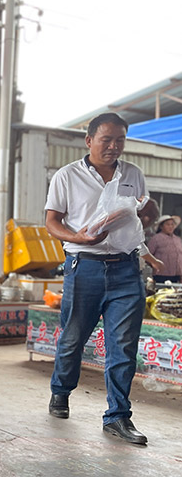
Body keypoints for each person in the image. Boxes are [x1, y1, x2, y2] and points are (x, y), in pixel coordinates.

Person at [45, 112, 150, 445]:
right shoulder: (67, 176)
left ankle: (118, 417)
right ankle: (61, 391)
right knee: (73, 338)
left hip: (126, 270)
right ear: (89, 140)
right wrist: (79, 238)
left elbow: (136, 219)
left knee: (123, 347)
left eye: (120, 140)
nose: (114, 146)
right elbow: (52, 222)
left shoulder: (133, 174)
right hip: (83, 267)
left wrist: (145, 250)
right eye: (107, 140)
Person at [147, 215, 182, 283]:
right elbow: (147, 255)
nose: (170, 226)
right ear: (161, 226)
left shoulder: (178, 239)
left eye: (172, 224)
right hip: (161, 275)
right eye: (168, 224)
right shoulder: (156, 239)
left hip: (177, 275)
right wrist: (155, 265)